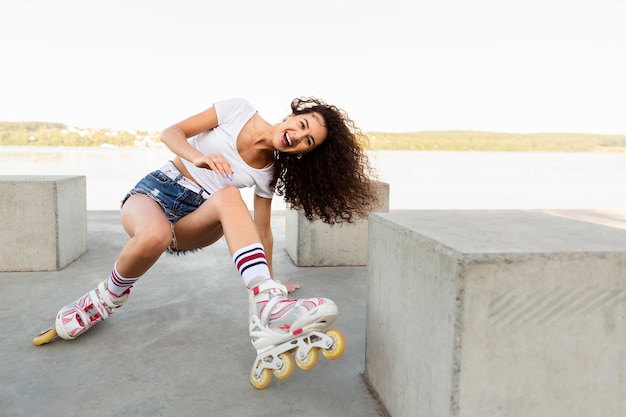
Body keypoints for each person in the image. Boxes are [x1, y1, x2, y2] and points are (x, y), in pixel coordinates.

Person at [50, 97, 378, 350]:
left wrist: (272, 279)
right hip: (154, 193)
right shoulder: (237, 110)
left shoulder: (270, 171)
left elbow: (262, 230)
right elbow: (171, 133)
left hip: (196, 221)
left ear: (305, 152)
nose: (298, 135)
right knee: (155, 233)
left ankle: (268, 301)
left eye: (308, 141)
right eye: (302, 124)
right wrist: (197, 157)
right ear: (291, 115)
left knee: (228, 195)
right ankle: (107, 298)